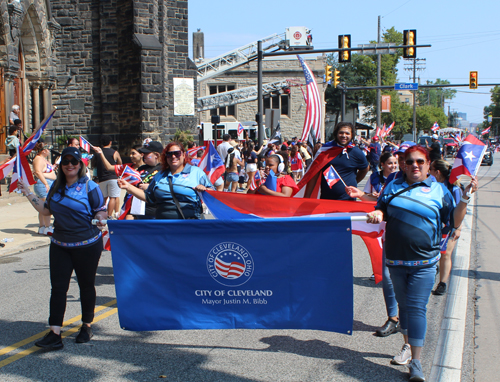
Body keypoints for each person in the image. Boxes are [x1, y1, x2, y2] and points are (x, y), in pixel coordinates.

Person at [366, 145, 478, 381]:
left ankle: (416, 362)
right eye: (409, 162)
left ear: (429, 165)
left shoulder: (440, 190)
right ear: (404, 164)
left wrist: (465, 197)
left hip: (425, 263)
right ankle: (408, 346)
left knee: (416, 309)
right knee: (404, 309)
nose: (414, 165)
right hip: (395, 261)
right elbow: (381, 209)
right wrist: (377, 214)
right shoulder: (392, 186)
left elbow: (453, 220)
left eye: (419, 161)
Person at [18, 147, 107, 349]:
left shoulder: (89, 186)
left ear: (80, 164)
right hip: (59, 244)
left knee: (86, 286)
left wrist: (101, 219)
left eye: (73, 161)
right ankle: (55, 333)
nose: (69, 165)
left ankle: (86, 326)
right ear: (60, 166)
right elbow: (46, 209)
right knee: (58, 288)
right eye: (65, 162)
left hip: (87, 245)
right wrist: (28, 193)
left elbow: (100, 211)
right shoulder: (55, 187)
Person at [118, 142, 212, 219]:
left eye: (177, 153)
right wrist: (128, 187)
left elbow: (214, 194)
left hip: (189, 224)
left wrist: (205, 190)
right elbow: (149, 198)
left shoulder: (196, 172)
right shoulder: (160, 175)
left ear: (183, 155)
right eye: (169, 154)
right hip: (163, 226)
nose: (173, 157)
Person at [305, 122, 369, 200]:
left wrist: (354, 182)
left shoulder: (356, 152)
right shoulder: (325, 150)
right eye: (341, 133)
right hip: (327, 199)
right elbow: (314, 174)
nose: (344, 136)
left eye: (347, 133)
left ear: (352, 135)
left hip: (348, 200)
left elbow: (365, 169)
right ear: (336, 134)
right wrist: (307, 197)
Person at [429, 159, 463, 296]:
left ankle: (442, 283)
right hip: (433, 227)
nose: (428, 172)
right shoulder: (430, 185)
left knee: (445, 254)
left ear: (436, 172)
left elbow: (460, 210)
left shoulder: (454, 188)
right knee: (433, 254)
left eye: (430, 169)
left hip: (449, 227)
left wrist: (458, 228)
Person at [92, 135, 122, 219]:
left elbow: (93, 164)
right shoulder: (114, 152)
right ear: (110, 142)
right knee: (113, 197)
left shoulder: (97, 153)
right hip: (113, 176)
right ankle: (109, 215)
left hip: (102, 178)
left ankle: (101, 213)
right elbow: (120, 163)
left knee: (103, 198)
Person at [32, 142, 57, 235]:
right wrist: (46, 183)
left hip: (48, 183)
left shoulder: (43, 159)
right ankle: (47, 227)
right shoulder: (38, 159)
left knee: (42, 206)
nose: (49, 151)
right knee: (46, 207)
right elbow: (37, 172)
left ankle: (42, 227)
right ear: (44, 151)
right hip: (43, 184)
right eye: (48, 149)